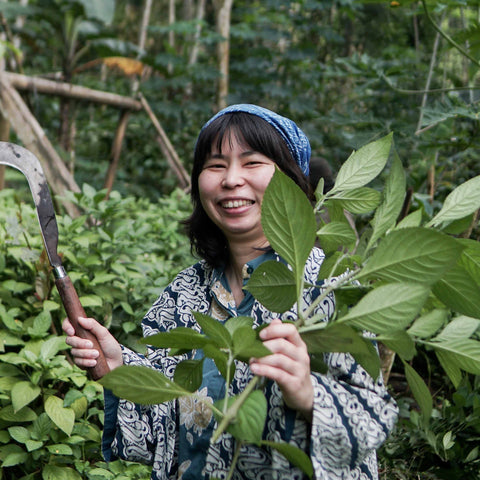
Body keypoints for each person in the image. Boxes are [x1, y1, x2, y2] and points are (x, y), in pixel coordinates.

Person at [63, 104, 398, 480]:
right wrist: (121, 367)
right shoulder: (183, 294)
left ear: (290, 180)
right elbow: (171, 421)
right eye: (216, 165)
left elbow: (373, 417)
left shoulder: (328, 286)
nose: (231, 179)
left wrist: (309, 393)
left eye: (252, 162)